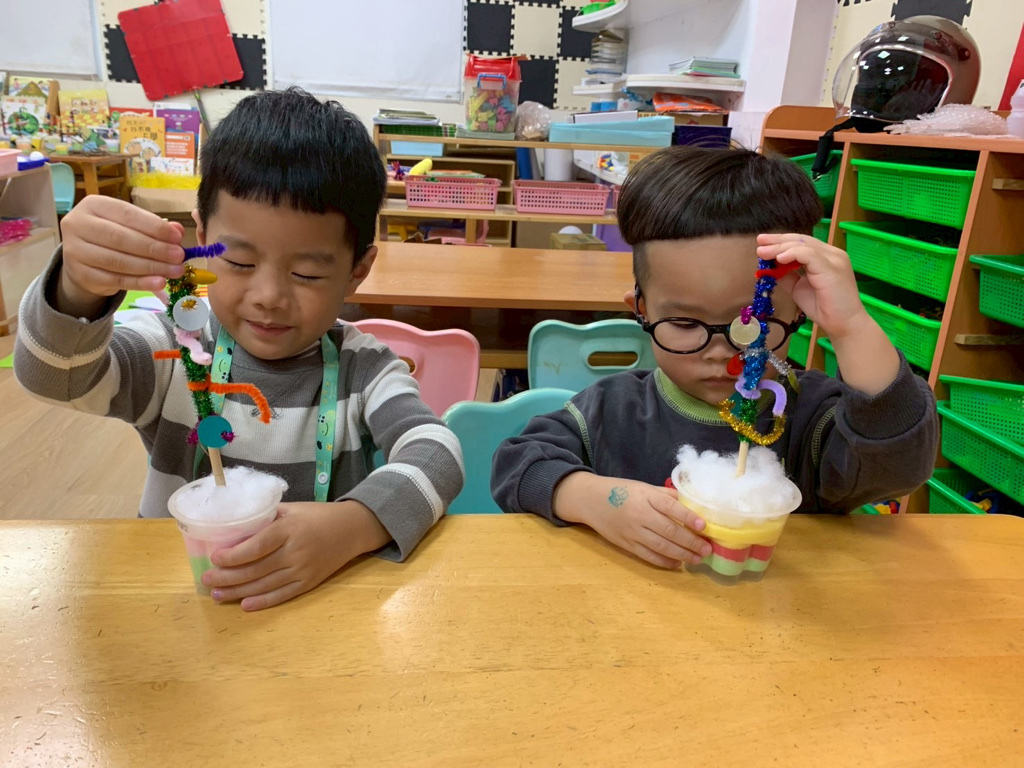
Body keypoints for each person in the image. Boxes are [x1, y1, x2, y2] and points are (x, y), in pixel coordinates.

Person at [15, 88, 464, 610]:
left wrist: (353, 525)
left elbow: (438, 452)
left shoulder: (365, 370)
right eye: (240, 263)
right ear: (203, 237)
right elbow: (56, 378)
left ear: (356, 272)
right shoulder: (176, 349)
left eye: (307, 273)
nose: (269, 296)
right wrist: (75, 288)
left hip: (324, 616)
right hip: (178, 610)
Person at [491, 146, 937, 569]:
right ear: (641, 312)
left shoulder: (815, 418)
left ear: (798, 312)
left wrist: (852, 327)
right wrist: (597, 500)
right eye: (685, 324)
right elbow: (516, 465)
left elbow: (899, 468)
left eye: (754, 326)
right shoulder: (611, 409)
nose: (722, 353)